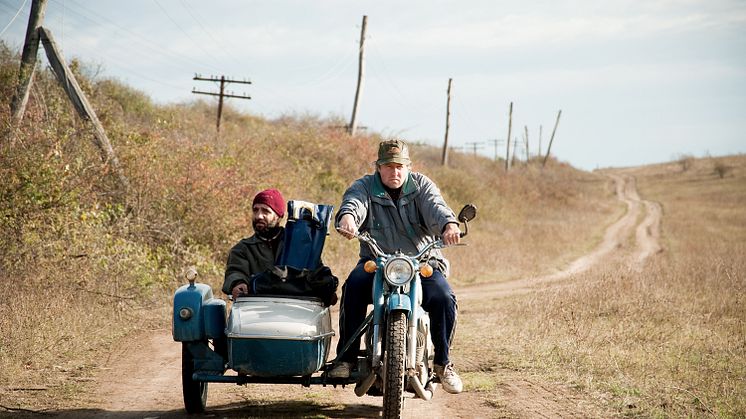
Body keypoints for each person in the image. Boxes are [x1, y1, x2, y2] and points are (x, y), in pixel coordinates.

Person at [330, 139, 464, 394]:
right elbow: (353, 204)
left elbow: (436, 207)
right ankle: (346, 359)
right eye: (389, 166)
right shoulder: (364, 186)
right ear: (378, 167)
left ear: (408, 167)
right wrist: (347, 218)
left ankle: (443, 363)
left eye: (400, 166)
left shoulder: (421, 185)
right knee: (354, 287)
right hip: (377, 262)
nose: (395, 172)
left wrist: (449, 225)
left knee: (444, 297)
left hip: (420, 262)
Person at [222, 188, 286, 300]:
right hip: (254, 309)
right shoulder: (242, 249)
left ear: (279, 216)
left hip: (295, 308)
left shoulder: (296, 245)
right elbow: (235, 272)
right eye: (255, 210)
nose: (258, 216)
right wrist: (237, 283)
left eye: (265, 211)